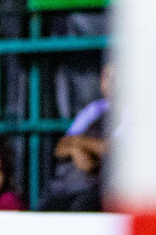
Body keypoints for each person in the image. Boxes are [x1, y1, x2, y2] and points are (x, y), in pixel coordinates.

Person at [42, 60, 113, 212]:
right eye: (107, 77)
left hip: (102, 187)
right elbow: (61, 147)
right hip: (69, 185)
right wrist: (76, 150)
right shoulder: (94, 109)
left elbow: (112, 149)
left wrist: (78, 143)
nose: (112, 83)